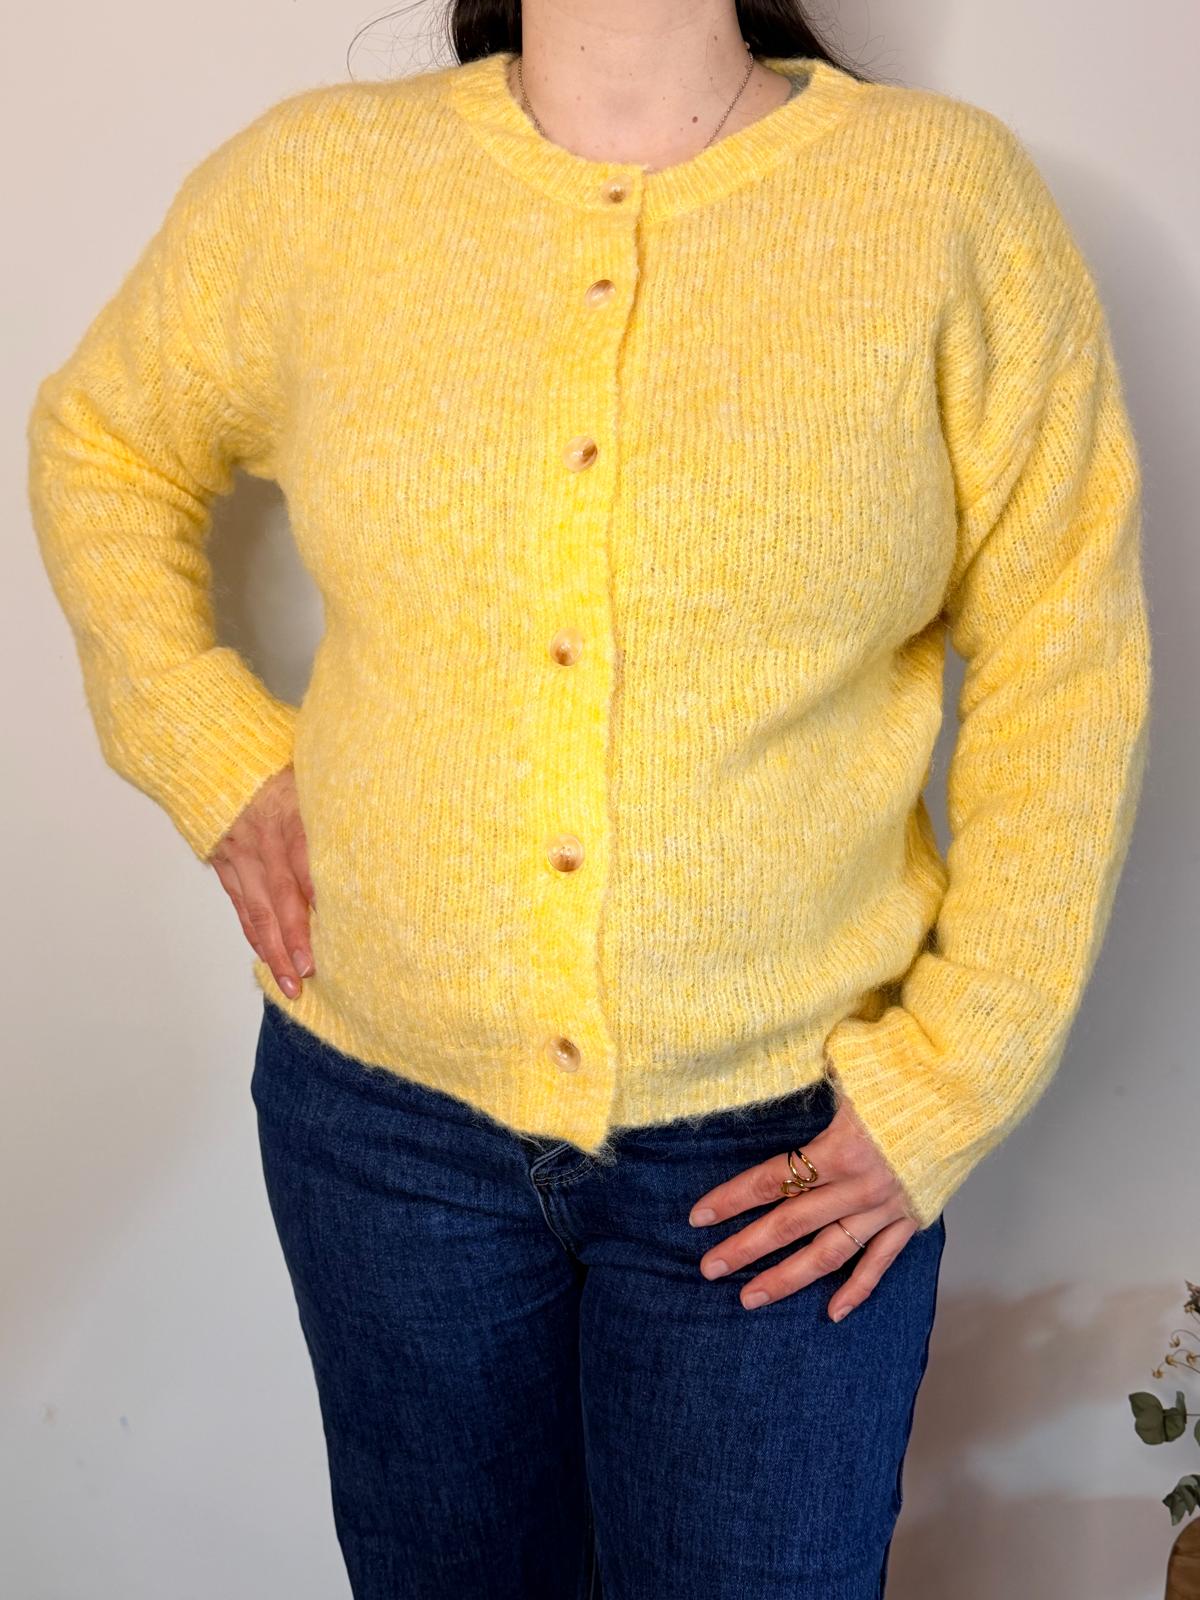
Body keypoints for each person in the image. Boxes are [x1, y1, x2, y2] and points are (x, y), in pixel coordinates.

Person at [25, 2, 1152, 1596]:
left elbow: (1065, 654)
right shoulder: (317, 184)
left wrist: (954, 1079)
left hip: (785, 1158)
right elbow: (104, 447)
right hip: (384, 1135)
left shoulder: (944, 201)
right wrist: (210, 752)